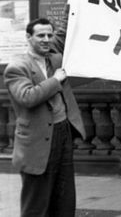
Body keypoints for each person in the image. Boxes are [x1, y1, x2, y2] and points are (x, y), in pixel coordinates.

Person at [3, 17, 86, 216]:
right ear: (28, 38)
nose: (46, 39)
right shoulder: (16, 67)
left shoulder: (54, 58)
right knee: (37, 204)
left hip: (63, 132)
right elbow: (28, 97)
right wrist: (56, 80)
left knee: (64, 199)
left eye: (49, 35)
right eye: (40, 35)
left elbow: (65, 31)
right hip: (36, 142)